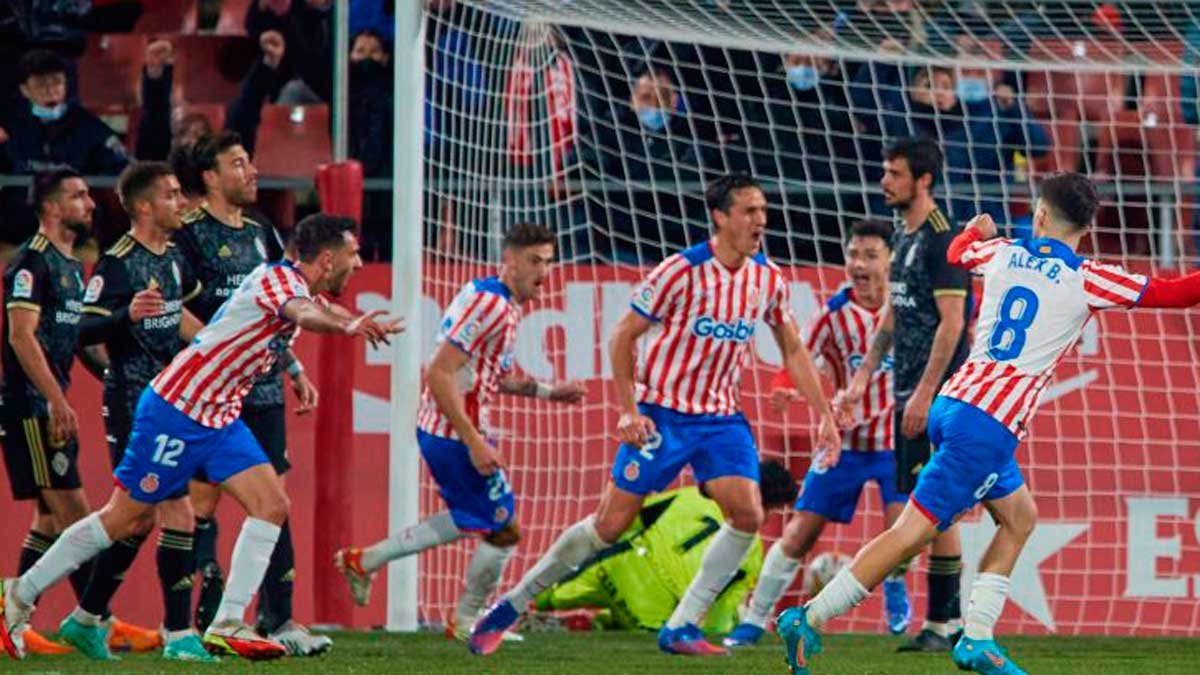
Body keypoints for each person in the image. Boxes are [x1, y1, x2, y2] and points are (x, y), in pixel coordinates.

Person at [778, 172, 1200, 675]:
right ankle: (809, 617)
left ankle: (977, 636)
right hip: (987, 424)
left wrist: (973, 231)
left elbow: (958, 253)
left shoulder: (1002, 253)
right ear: (1086, 228)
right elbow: (1176, 296)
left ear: (1039, 216)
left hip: (954, 403)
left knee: (1019, 517)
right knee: (911, 532)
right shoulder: (1088, 277)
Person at [0, 214, 404, 662]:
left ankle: (228, 622)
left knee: (271, 504)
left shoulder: (297, 287)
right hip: (177, 411)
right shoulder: (276, 279)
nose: (360, 263)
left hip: (218, 417)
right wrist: (346, 327)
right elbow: (305, 313)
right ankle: (19, 594)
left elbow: (319, 309)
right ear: (327, 260)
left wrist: (347, 324)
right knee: (124, 518)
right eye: (353, 254)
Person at [469, 172, 840, 657]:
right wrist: (627, 410)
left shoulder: (766, 278)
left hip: (719, 419)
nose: (760, 220)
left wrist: (824, 414)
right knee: (610, 526)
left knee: (748, 512)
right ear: (721, 217)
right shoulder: (680, 271)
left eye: (763, 211)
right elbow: (622, 336)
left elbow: (791, 347)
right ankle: (511, 605)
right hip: (662, 413)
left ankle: (683, 625)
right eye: (749, 211)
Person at [334, 223, 586, 638]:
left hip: (448, 430)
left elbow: (487, 376)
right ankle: (467, 620)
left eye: (548, 262)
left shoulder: (496, 299)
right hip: (452, 433)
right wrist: (473, 442)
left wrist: (548, 392)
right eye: (533, 261)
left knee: (473, 518)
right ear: (509, 260)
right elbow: (438, 373)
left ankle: (367, 560)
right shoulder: (491, 304)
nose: (543, 272)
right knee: (503, 528)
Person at [172, 131, 325, 655]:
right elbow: (173, 308)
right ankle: (202, 622)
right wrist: (215, 349)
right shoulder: (188, 233)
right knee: (202, 504)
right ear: (210, 177)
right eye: (238, 164)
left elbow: (274, 307)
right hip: (210, 391)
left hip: (260, 389)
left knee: (274, 498)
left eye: (250, 161)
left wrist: (293, 364)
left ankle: (278, 620)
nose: (252, 170)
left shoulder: (261, 230)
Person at [723, 220, 911, 648]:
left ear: (890, 261)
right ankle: (754, 620)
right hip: (844, 445)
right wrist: (784, 389)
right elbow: (798, 358)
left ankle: (896, 587)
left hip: (896, 445)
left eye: (869, 256)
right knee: (799, 533)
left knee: (903, 534)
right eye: (852, 255)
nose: (858, 265)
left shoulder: (910, 308)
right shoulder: (832, 315)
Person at [56, 162, 210, 661]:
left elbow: (181, 317)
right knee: (177, 514)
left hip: (169, 400)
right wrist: (127, 317)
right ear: (144, 207)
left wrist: (214, 347)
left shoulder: (172, 255)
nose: (181, 201)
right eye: (170, 195)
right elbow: (82, 330)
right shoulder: (119, 262)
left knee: (136, 520)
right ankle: (178, 634)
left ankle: (84, 620)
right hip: (133, 402)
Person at [841, 137, 971, 652]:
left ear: (923, 181)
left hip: (938, 399)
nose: (884, 181)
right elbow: (892, 318)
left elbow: (953, 323)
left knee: (935, 505)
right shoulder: (903, 234)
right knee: (935, 505)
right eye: (885, 171)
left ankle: (948, 621)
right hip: (909, 394)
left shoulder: (944, 240)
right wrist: (860, 380)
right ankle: (947, 624)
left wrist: (923, 395)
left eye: (894, 173)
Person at [0, 170, 106, 654]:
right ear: (50, 207)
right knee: (77, 515)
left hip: (50, 404)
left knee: (49, 519)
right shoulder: (31, 264)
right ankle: (96, 619)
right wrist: (56, 401)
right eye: (77, 196)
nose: (89, 204)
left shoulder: (70, 265)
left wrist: (115, 377)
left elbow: (78, 340)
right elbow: (21, 336)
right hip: (32, 408)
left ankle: (12, 622)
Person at [534, 461, 799, 634]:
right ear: (769, 508)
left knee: (543, 597)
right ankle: (597, 626)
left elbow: (633, 517)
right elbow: (720, 615)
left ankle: (528, 608)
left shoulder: (696, 494)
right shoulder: (751, 552)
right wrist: (723, 635)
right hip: (651, 608)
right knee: (636, 641)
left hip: (614, 566)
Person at [0, 49, 128, 175]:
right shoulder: (10, 128)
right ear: (25, 90)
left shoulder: (89, 126)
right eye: (41, 84)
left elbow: (120, 166)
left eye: (57, 82)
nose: (50, 90)